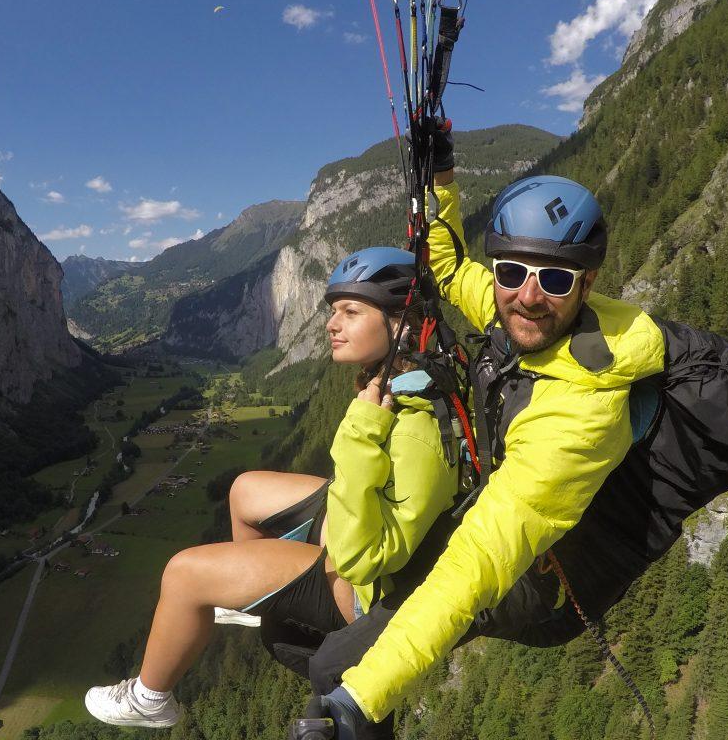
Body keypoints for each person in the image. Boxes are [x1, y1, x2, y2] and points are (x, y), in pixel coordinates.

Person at [300, 137, 672, 735]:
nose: (528, 295)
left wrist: (363, 698)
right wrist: (442, 179)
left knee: (336, 670)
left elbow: (481, 560)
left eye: (554, 277)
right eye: (511, 272)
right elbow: (444, 267)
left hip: (536, 578)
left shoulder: (582, 412)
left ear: (588, 280)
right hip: (486, 516)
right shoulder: (518, 317)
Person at [83, 247, 459, 729]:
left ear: (402, 325)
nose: (330, 324)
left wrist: (362, 428)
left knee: (184, 573)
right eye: (331, 311)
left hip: (363, 583)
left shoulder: (414, 429)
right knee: (245, 491)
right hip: (364, 521)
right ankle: (250, 596)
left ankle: (150, 698)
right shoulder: (405, 384)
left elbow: (361, 557)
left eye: (350, 311)